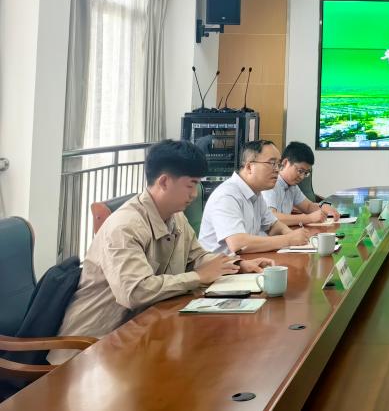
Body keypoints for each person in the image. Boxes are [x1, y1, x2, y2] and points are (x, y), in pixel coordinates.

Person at [50, 140, 274, 364]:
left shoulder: (175, 217)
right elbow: (135, 292)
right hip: (91, 349)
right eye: (191, 185)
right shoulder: (124, 226)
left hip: (142, 333)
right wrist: (198, 277)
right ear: (164, 182)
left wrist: (236, 265)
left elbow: (197, 257)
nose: (195, 194)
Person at [199, 140, 311, 254]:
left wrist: (291, 234)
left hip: (245, 262)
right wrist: (288, 240)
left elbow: (273, 226)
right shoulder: (227, 195)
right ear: (249, 167)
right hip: (220, 264)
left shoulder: (256, 193)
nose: (277, 170)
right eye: (272, 163)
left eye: (279, 164)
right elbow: (238, 244)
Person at [263, 141, 340, 226]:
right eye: (300, 171)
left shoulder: (292, 186)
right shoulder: (271, 183)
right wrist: (308, 218)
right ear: (285, 163)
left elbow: (308, 206)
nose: (302, 177)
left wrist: (323, 207)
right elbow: (271, 217)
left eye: (306, 173)